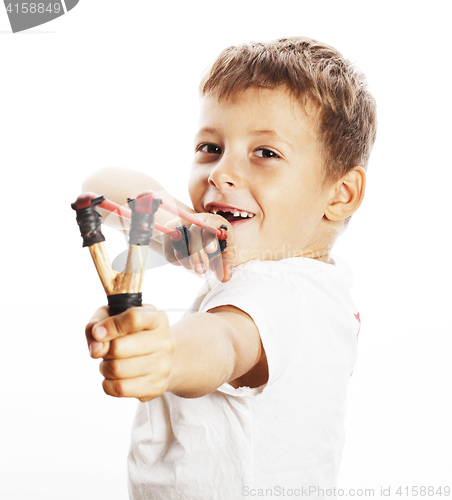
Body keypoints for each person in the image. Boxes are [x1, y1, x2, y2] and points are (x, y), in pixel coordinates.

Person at [83, 36, 377, 499]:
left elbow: (225, 342)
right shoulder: (295, 278)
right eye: (210, 147)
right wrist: (172, 226)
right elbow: (100, 190)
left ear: (340, 194)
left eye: (265, 153)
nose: (221, 173)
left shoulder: (283, 290)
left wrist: (167, 353)